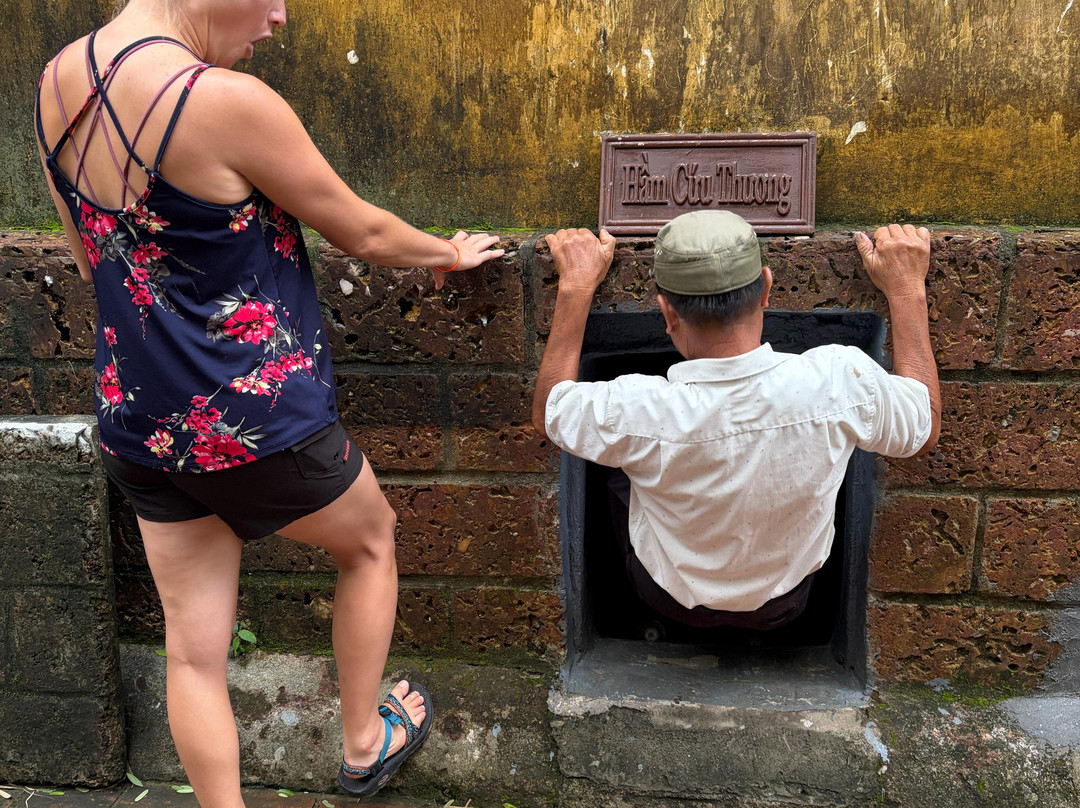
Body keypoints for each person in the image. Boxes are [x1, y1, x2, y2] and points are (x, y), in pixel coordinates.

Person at [34, 0, 505, 802]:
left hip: (139, 426)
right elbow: (365, 233)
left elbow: (89, 263)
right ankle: (363, 742)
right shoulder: (221, 100)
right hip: (254, 429)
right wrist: (449, 253)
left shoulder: (58, 80)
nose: (280, 18)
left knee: (193, 650)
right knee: (370, 543)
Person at [532, 211, 940, 632]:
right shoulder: (840, 381)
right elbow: (922, 425)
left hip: (665, 598)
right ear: (766, 288)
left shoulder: (634, 407)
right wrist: (907, 289)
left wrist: (576, 288)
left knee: (612, 468)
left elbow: (551, 409)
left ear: (667, 314)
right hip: (786, 602)